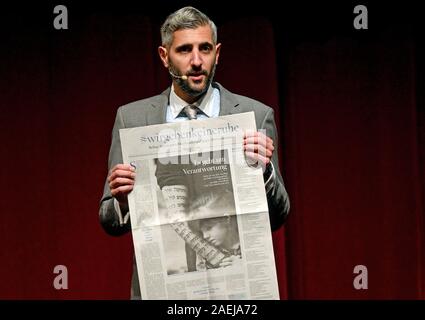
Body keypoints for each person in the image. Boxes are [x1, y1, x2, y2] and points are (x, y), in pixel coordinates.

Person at [99, 6, 290, 299]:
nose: (197, 61)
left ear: (218, 53)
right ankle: (212, 256)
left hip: (238, 294)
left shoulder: (255, 114)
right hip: (164, 294)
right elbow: (110, 221)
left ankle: (219, 259)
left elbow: (278, 217)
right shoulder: (132, 119)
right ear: (164, 56)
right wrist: (124, 202)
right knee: (178, 219)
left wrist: (265, 173)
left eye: (205, 48)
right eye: (185, 50)